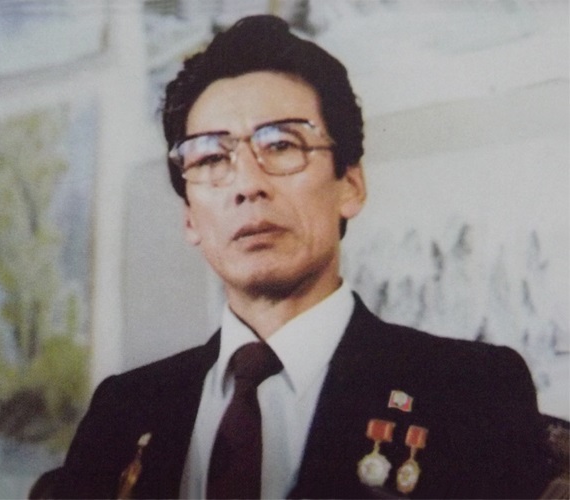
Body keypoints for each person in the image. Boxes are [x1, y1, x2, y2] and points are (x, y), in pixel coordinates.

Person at [50, 15, 556, 499]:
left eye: (282, 146)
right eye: (211, 157)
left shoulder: (469, 390)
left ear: (350, 185)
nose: (248, 184)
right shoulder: (124, 410)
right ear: (189, 218)